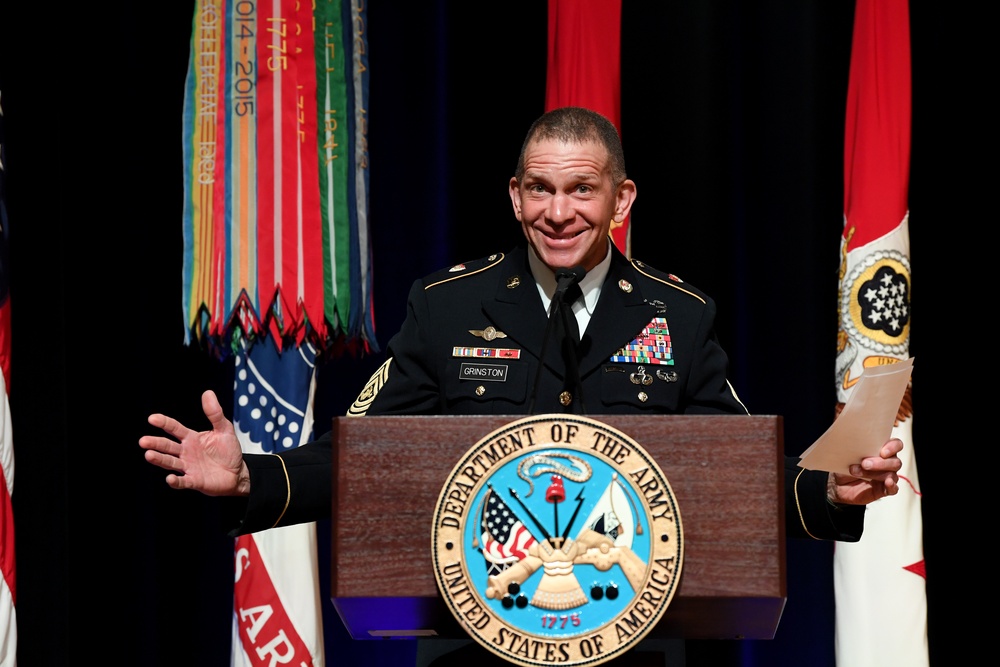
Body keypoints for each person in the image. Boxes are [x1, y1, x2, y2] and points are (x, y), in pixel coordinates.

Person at [140, 107, 903, 664]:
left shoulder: (680, 313)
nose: (559, 212)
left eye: (581, 190)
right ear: (514, 196)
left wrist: (830, 492)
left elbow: (738, 473)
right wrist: (254, 477)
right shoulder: (448, 306)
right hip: (475, 643)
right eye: (540, 190)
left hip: (638, 644)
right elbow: (361, 450)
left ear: (621, 199)